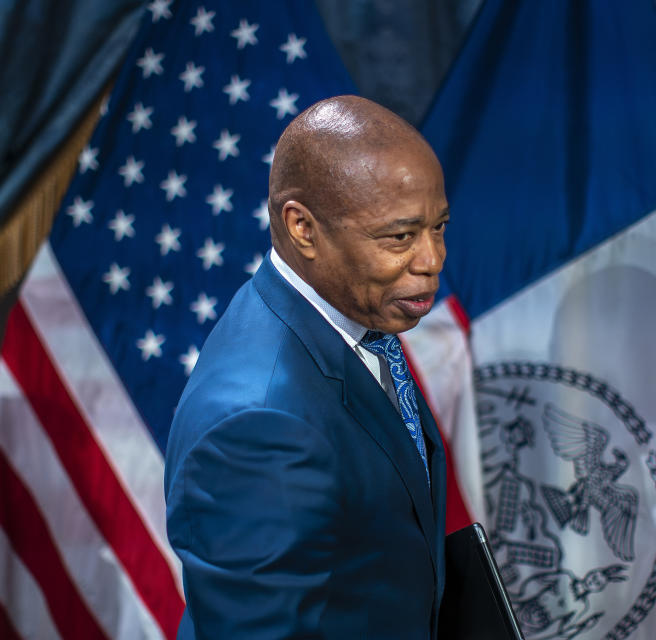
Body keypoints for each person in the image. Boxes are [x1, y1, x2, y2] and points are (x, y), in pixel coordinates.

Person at [164, 95, 449, 639]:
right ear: (302, 227)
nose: (431, 260)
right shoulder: (258, 423)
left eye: (439, 227)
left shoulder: (351, 316)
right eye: (400, 236)